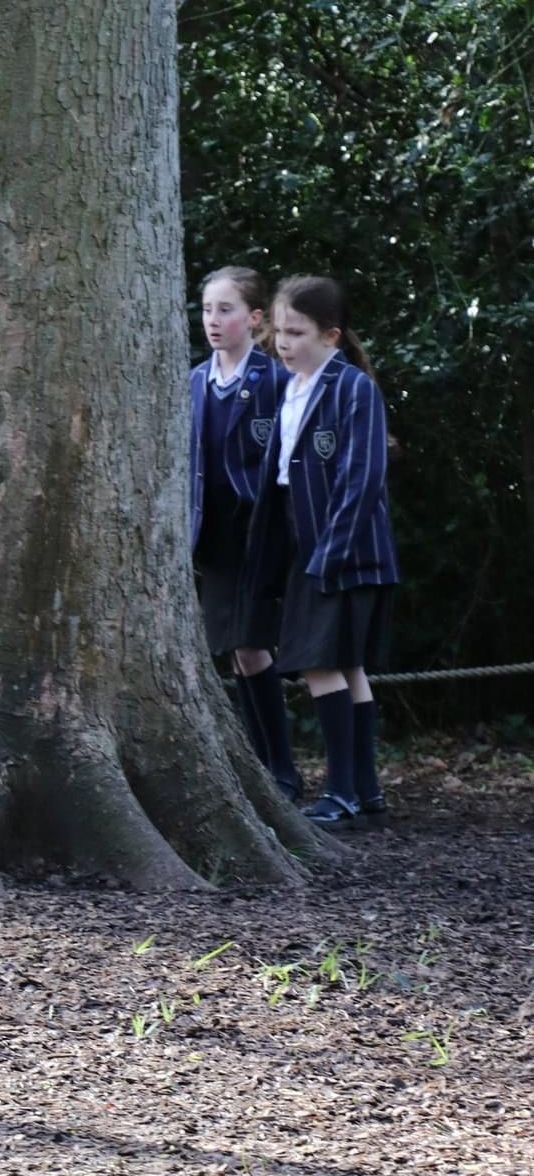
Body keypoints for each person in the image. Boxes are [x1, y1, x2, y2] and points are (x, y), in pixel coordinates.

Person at [243, 275, 399, 826]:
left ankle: (340, 792)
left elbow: (363, 478)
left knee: (318, 664)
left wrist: (328, 555)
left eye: (297, 332)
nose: (284, 343)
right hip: (301, 543)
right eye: (279, 332)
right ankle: (365, 791)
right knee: (348, 667)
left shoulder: (352, 387)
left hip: (344, 550)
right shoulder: (289, 387)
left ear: (331, 335)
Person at [189, 266, 301, 799]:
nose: (213, 320)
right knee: (234, 652)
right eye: (208, 309)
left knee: (254, 647)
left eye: (225, 309)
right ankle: (259, 764)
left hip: (258, 533)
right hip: (212, 537)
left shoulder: (276, 380)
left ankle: (281, 769)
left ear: (255, 320)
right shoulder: (192, 381)